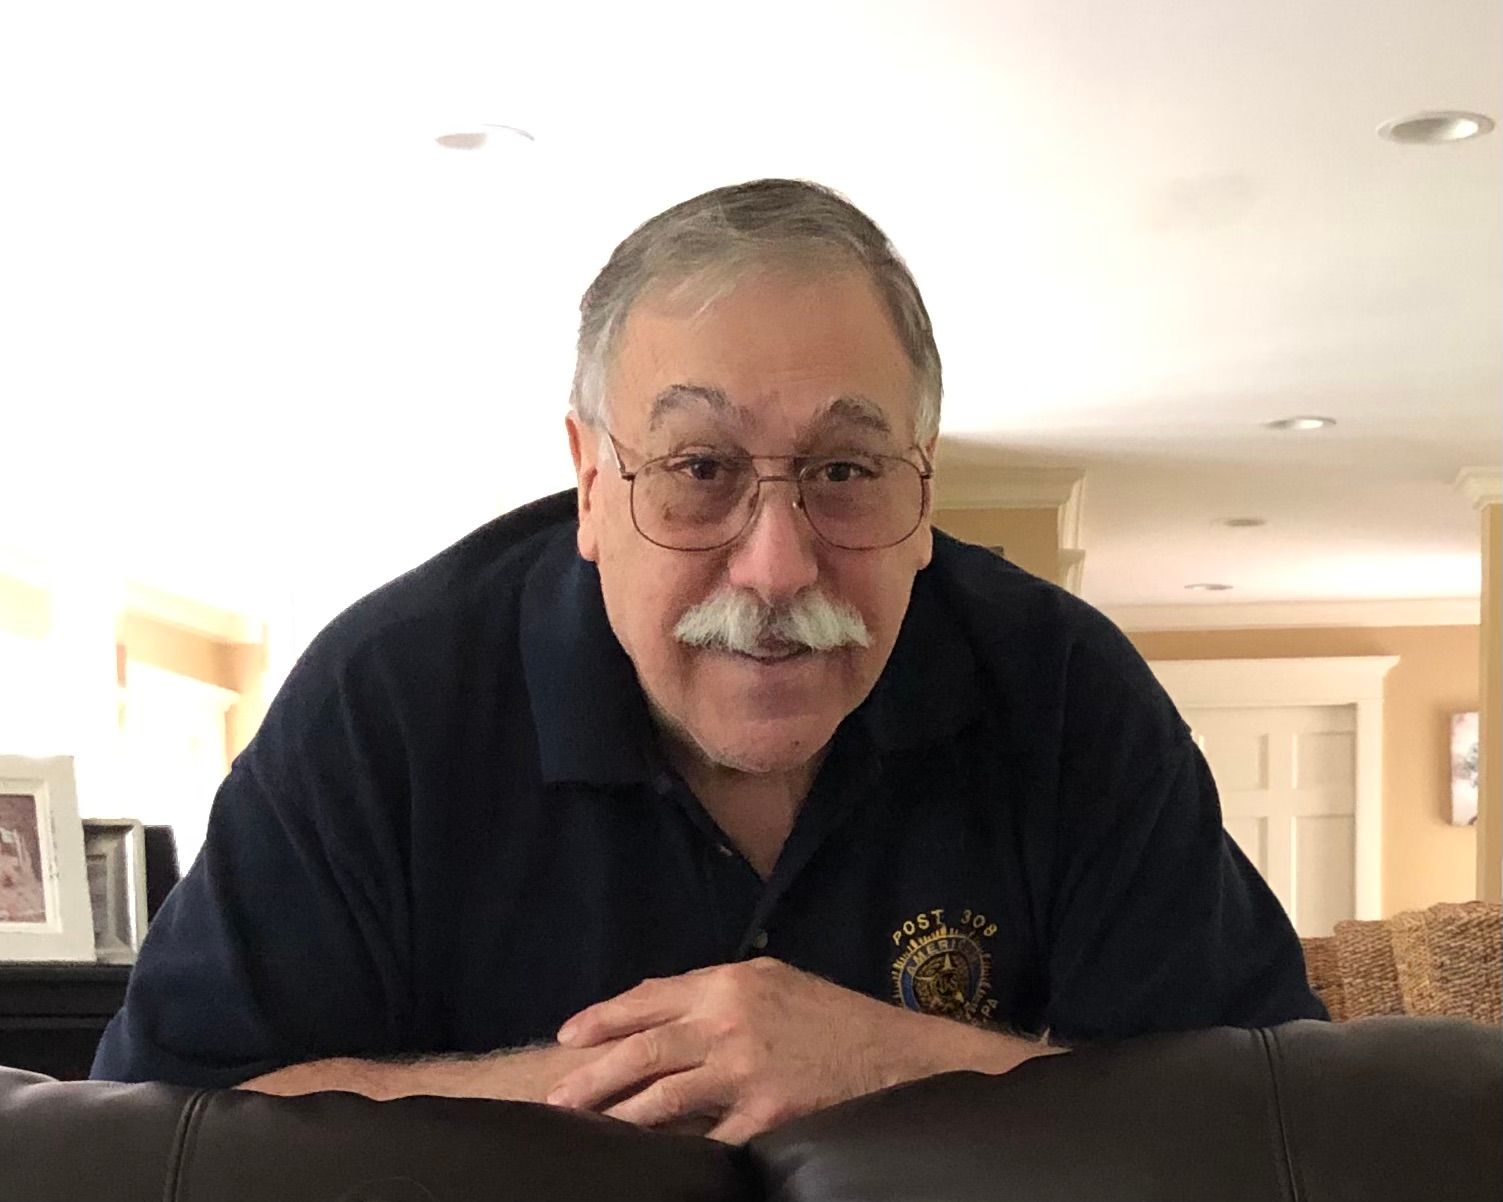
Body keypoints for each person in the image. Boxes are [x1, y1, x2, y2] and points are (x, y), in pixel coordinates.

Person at [91, 179, 1325, 1143]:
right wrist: (638, 1080)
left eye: (844, 470)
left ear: (923, 483)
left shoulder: (1064, 692)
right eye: (699, 468)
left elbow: (1273, 1110)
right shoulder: (385, 703)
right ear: (591, 480)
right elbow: (163, 1121)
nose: (778, 567)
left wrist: (903, 1065)